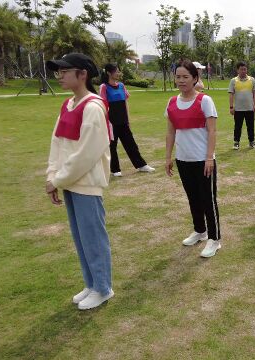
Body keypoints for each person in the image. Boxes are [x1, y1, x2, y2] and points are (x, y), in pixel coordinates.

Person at [45, 53, 114, 310]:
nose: (60, 76)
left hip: (86, 183)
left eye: (65, 71)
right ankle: (91, 283)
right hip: (70, 183)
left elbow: (86, 153)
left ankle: (103, 287)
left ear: (82, 74)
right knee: (80, 237)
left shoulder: (93, 106)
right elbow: (57, 143)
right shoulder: (68, 105)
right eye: (58, 72)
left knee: (93, 237)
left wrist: (58, 179)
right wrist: (52, 176)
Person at [165, 59, 221, 258]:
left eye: (185, 77)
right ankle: (200, 231)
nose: (181, 80)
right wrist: (168, 157)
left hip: (202, 159)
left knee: (208, 199)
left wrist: (208, 158)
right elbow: (171, 132)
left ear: (195, 78)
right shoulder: (172, 102)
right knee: (193, 198)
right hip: (183, 159)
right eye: (178, 76)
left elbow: (212, 131)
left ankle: (214, 239)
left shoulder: (204, 100)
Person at [99, 64, 155, 177]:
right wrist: (106, 122)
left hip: (123, 121)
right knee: (112, 146)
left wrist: (128, 119)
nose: (118, 73)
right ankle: (115, 170)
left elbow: (125, 103)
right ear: (109, 73)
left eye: (119, 71)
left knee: (131, 144)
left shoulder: (121, 85)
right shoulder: (104, 87)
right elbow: (102, 105)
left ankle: (141, 165)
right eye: (117, 71)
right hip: (111, 122)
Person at [228, 61, 255, 150]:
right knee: (237, 127)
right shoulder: (233, 81)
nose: (243, 71)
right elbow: (231, 94)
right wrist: (231, 107)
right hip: (238, 109)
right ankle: (236, 142)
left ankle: (252, 142)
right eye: (241, 69)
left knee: (251, 126)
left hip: (250, 108)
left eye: (245, 69)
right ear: (238, 70)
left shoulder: (252, 80)